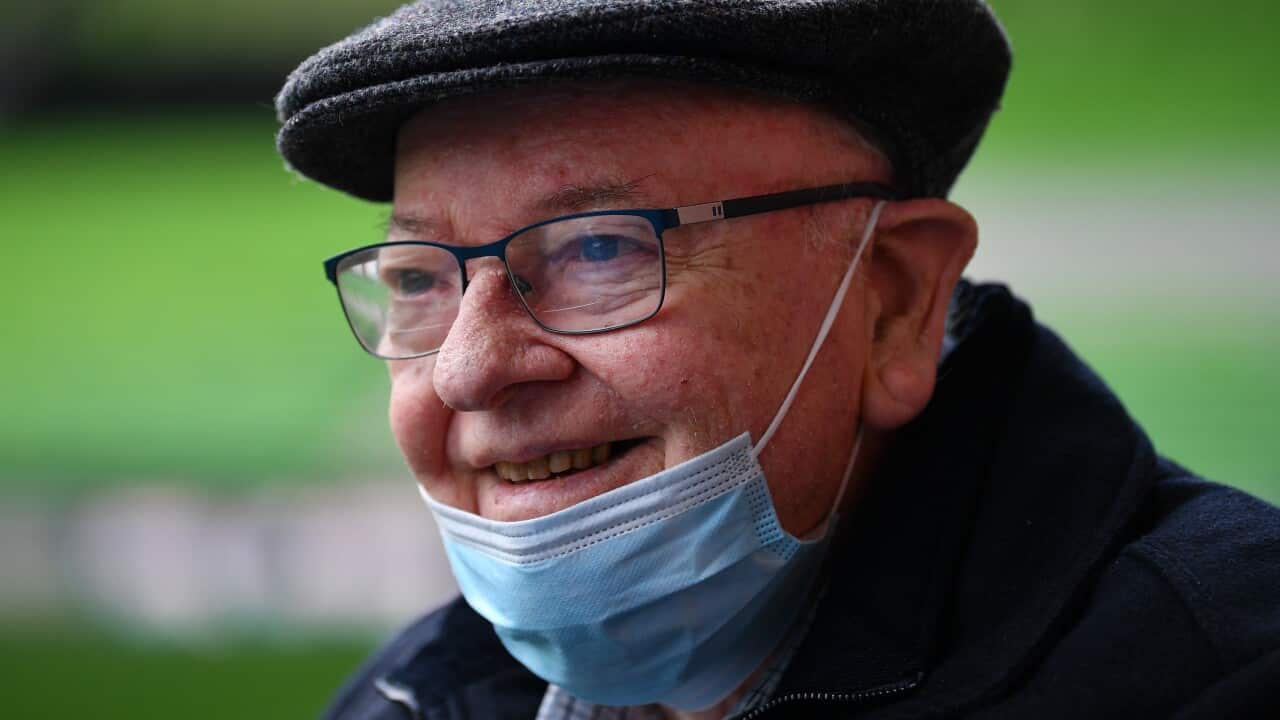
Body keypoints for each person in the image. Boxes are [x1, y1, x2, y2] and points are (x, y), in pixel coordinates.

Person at [275, 2, 1280, 718]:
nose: (466, 370)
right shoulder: (409, 697)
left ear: (893, 303)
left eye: (599, 249)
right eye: (419, 277)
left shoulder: (1226, 667)